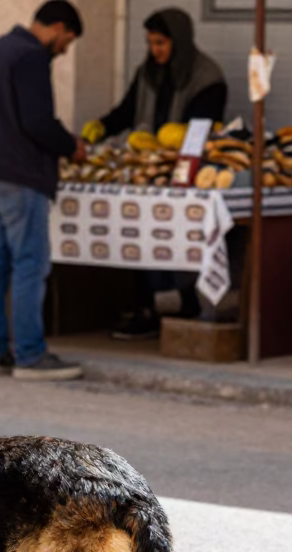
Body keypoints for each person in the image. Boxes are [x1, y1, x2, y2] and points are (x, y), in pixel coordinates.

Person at [81, 7, 228, 340]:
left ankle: (183, 302)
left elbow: (204, 125)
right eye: (150, 43)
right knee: (138, 231)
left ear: (179, 41)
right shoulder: (147, 73)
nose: (155, 50)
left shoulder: (207, 77)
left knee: (176, 236)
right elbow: (127, 111)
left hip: (187, 172)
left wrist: (173, 138)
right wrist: (101, 127)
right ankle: (146, 306)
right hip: (147, 168)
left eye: (161, 43)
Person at [0, 1, 87, 381]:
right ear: (58, 27)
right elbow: (38, 122)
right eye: (67, 40)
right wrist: (71, 146)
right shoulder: (31, 56)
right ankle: (30, 355)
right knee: (30, 263)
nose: (64, 49)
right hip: (20, 176)